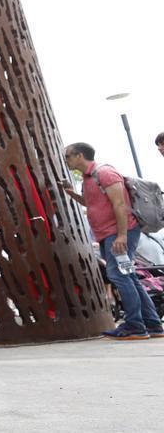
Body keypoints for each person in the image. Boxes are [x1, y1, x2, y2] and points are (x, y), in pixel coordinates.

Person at [61, 142, 164, 339]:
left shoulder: (105, 173)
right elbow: (92, 204)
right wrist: (71, 194)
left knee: (119, 276)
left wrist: (122, 235)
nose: (66, 161)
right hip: (107, 234)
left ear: (79, 156)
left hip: (118, 233)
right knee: (128, 276)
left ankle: (135, 326)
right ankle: (152, 325)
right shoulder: (88, 178)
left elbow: (120, 204)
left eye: (68, 156)